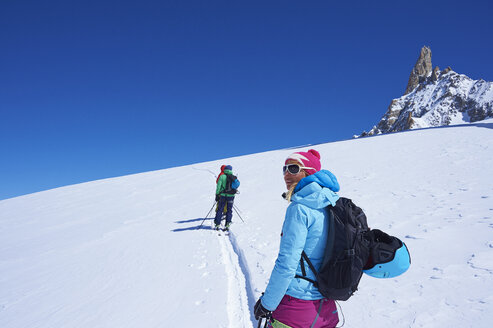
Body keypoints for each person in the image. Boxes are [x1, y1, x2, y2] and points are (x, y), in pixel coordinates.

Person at [254, 149, 340, 328]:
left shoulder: (300, 209)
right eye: (284, 168)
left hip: (296, 308)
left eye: (293, 168)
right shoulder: (332, 204)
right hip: (328, 309)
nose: (286, 173)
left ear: (309, 172)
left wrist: (267, 303)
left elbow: (287, 264)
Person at [214, 165, 236, 230]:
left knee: (220, 209)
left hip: (223, 195)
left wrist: (217, 194)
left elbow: (218, 186)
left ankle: (217, 224)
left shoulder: (222, 176)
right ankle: (228, 224)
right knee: (229, 210)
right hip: (231, 196)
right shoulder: (233, 177)